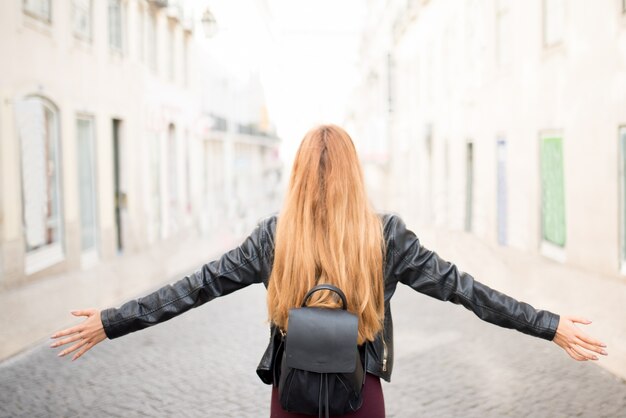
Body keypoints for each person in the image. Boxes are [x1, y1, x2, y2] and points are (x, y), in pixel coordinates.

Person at [51, 124, 608, 417]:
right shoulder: (385, 235)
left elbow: (192, 289)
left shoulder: (274, 237)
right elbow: (466, 290)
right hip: (359, 396)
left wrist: (109, 321)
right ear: (355, 174)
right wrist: (550, 325)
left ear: (294, 175)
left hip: (289, 397)